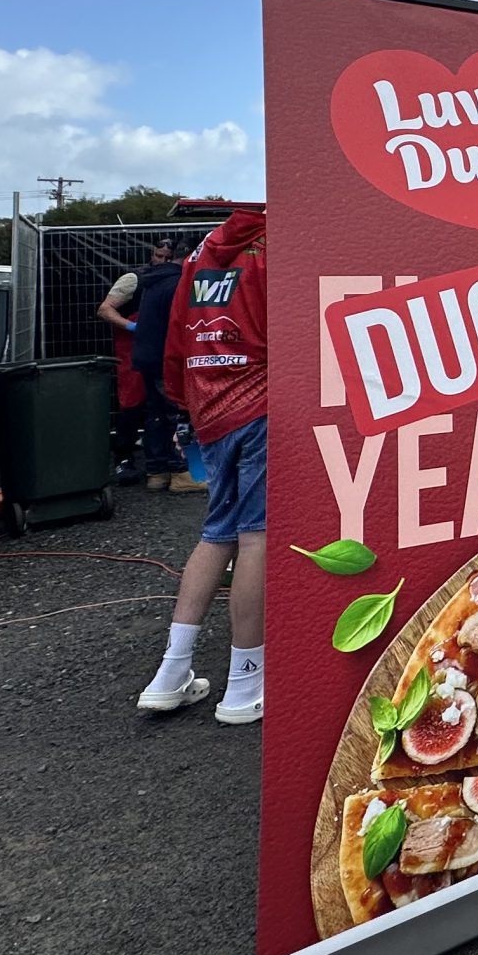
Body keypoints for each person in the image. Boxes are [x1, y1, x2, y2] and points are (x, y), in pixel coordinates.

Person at [136, 207, 268, 723]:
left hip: (208, 406)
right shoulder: (273, 246)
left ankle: (170, 673)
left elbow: (177, 333)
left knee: (217, 533)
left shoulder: (199, 254)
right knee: (256, 538)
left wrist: (183, 398)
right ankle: (245, 685)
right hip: (261, 403)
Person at [96, 238, 181, 487]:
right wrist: (133, 326)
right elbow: (105, 310)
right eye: (158, 255)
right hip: (132, 350)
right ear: (151, 254)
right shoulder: (134, 279)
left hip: (156, 349)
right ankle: (124, 459)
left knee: (159, 409)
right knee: (131, 405)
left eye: (167, 257)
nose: (162, 260)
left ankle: (158, 464)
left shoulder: (172, 281)